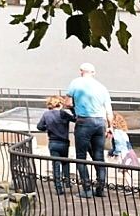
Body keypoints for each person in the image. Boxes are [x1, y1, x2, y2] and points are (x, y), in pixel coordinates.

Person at [65, 62, 113, 198]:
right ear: (94, 73)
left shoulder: (75, 83)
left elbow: (67, 103)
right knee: (99, 157)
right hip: (100, 122)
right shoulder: (102, 87)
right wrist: (111, 127)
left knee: (81, 157)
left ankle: (86, 189)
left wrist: (75, 110)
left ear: (81, 71)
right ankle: (100, 189)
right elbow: (109, 111)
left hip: (84, 122)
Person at [36, 95, 75, 194]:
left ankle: (58, 188)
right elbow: (75, 119)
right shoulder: (63, 113)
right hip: (64, 142)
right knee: (65, 162)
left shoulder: (46, 114)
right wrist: (73, 109)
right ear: (60, 104)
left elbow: (39, 126)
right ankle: (67, 182)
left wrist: (47, 127)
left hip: (53, 142)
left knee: (56, 164)